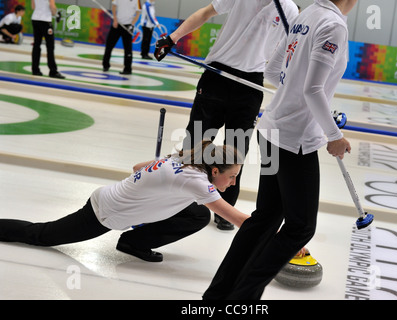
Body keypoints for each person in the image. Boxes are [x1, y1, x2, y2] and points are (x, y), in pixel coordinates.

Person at [203, 0, 356, 300]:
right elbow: (313, 90)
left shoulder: (308, 13)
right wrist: (333, 135)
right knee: (300, 227)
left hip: (271, 129)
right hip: (294, 140)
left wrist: (298, 96)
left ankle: (219, 295)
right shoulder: (333, 25)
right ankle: (242, 297)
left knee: (265, 218)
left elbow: (274, 70)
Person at [154, 0, 299, 231]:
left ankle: (226, 210)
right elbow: (205, 12)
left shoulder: (289, 10)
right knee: (195, 143)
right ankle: (179, 203)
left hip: (250, 83)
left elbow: (292, 49)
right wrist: (173, 37)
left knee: (237, 149)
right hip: (217, 75)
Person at [0, 141, 248, 262]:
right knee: (41, 235)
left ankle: (134, 243)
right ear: (214, 170)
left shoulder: (182, 161)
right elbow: (238, 219)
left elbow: (137, 167)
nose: (233, 183)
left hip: (108, 197)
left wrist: (161, 167)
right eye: (232, 176)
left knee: (198, 215)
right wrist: (282, 236)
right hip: (103, 214)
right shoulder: (195, 182)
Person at [102, 0, 141, 75]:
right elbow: (113, 6)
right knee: (109, 46)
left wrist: (132, 24)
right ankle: (105, 65)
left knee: (128, 49)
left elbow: (138, 13)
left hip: (128, 26)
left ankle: (127, 69)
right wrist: (115, 20)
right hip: (117, 24)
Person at [31, 0, 65, 78]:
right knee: (50, 46)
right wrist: (56, 14)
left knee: (36, 45)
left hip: (35, 19)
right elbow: (52, 6)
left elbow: (33, 7)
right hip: (45, 21)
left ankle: (35, 69)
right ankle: (53, 71)